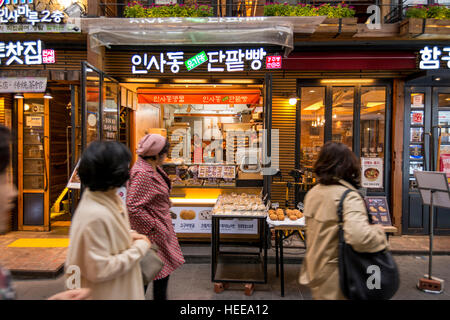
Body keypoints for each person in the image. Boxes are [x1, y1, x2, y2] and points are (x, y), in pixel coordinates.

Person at [299, 141, 388, 300]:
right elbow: (359, 237)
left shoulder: (312, 194)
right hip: (340, 276)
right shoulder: (347, 197)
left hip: (316, 271)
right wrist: (379, 233)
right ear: (348, 165)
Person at [65, 141, 151, 300]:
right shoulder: (94, 214)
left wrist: (129, 234)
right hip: (108, 293)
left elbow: (109, 233)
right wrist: (141, 246)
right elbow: (100, 268)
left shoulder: (108, 199)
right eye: (126, 166)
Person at [127, 134, 185, 300]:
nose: (166, 157)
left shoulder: (151, 167)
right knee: (148, 271)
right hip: (152, 234)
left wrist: (165, 201)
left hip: (159, 229)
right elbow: (132, 206)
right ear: (157, 154)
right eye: (165, 153)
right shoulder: (143, 173)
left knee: (159, 271)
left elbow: (152, 194)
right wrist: (153, 225)